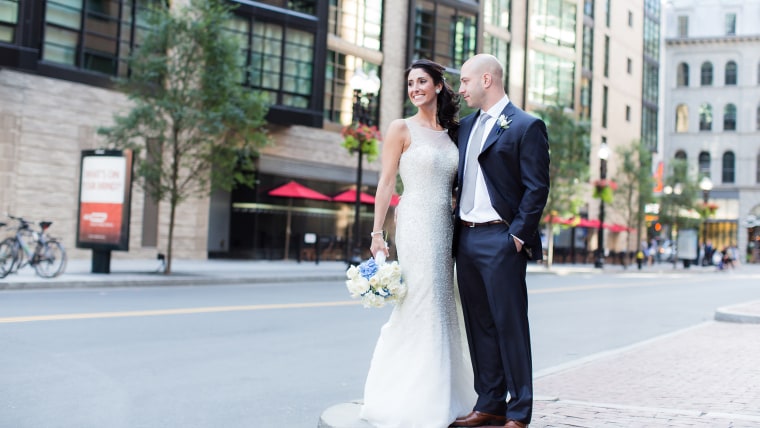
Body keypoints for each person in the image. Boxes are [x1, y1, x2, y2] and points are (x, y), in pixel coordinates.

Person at [360, 59, 476, 428]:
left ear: (439, 86)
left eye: (422, 82)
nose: (415, 89)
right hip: (413, 223)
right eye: (410, 84)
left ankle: (448, 394)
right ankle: (410, 397)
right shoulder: (400, 128)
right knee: (419, 301)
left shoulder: (453, 132)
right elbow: (386, 183)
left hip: (445, 226)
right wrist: (377, 235)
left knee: (443, 302)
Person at [451, 54, 550, 428]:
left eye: (464, 81)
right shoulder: (464, 128)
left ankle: (519, 410)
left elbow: (536, 187)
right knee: (479, 324)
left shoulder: (526, 125)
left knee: (510, 324)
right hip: (467, 238)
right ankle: (489, 402)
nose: (461, 89)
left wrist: (518, 237)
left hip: (501, 238)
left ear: (487, 79)